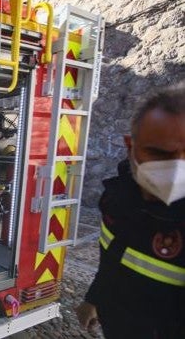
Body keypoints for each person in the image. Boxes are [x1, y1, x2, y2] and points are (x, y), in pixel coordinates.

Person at [76, 82, 185, 339]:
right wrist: (94, 298)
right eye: (158, 152)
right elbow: (114, 259)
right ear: (130, 147)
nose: (175, 168)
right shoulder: (117, 202)